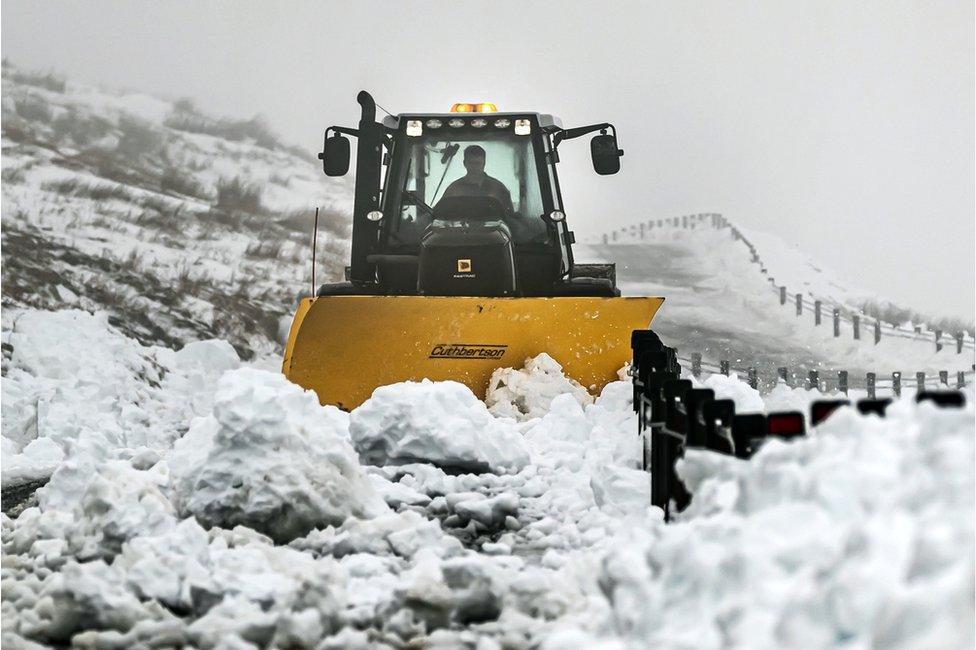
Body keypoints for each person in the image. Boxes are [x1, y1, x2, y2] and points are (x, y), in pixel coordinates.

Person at [442, 145, 513, 212]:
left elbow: (510, 217)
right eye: (470, 163)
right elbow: (440, 215)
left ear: (484, 163)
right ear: (464, 163)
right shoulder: (453, 190)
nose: (474, 167)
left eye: (477, 163)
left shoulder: (498, 189)